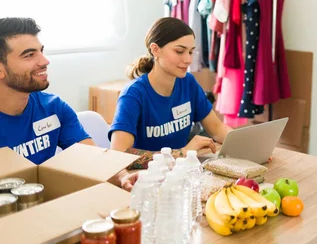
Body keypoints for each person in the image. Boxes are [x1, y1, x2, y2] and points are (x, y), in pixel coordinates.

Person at [0, 18, 137, 190]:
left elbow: (93, 158)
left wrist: (124, 177)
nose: (44, 61)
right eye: (29, 55)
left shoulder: (54, 108)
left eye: (41, 51)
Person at [109, 17, 232, 168]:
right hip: (145, 180)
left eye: (191, 52)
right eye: (179, 51)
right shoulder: (133, 95)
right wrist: (182, 152)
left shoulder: (189, 83)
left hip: (180, 173)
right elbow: (118, 154)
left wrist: (250, 146)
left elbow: (218, 129)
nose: (188, 60)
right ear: (155, 50)